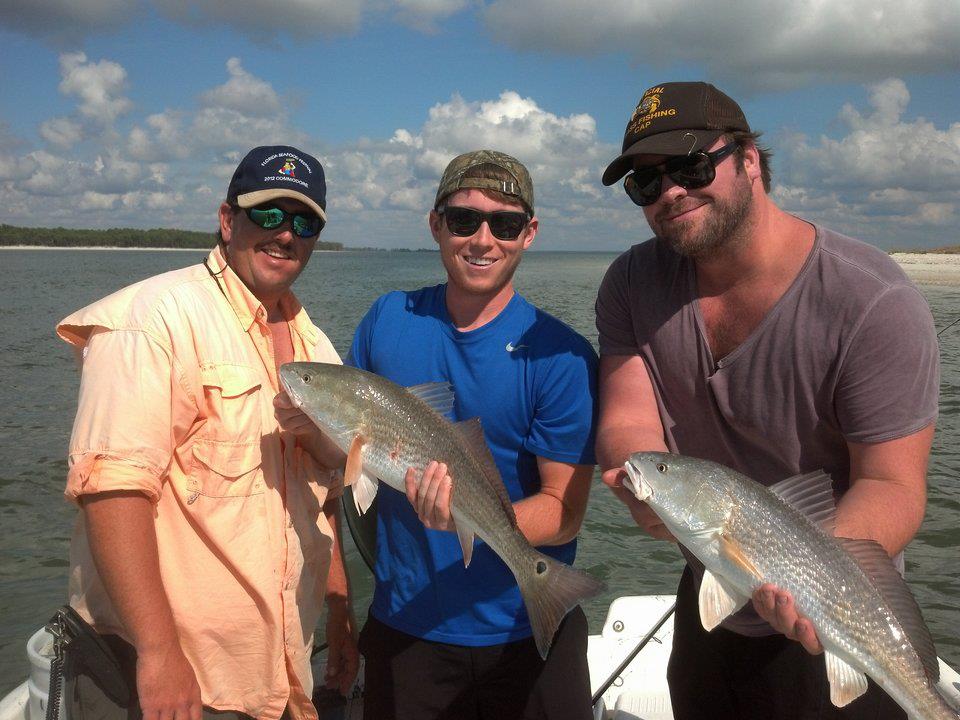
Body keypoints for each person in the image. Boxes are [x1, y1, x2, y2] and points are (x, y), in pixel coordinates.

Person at [594, 81, 939, 719]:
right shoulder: (631, 281)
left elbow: (894, 486)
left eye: (692, 166)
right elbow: (626, 420)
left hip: (838, 618)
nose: (670, 191)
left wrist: (809, 579)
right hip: (708, 599)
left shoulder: (875, 303)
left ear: (750, 159)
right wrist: (644, 488)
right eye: (646, 183)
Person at [56, 145, 359, 720]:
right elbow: (113, 494)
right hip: (173, 684)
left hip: (276, 678)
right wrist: (159, 653)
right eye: (267, 215)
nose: (285, 235)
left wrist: (341, 615)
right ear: (228, 220)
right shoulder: (152, 321)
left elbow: (324, 499)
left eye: (304, 222)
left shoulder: (314, 347)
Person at [348, 150, 599, 719]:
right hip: (406, 625)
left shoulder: (561, 356)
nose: (483, 239)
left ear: (528, 233)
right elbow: (345, 457)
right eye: (464, 220)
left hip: (527, 631)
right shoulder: (387, 319)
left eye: (505, 223)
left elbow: (565, 512)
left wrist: (466, 516)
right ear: (436, 224)